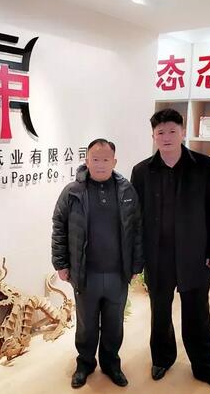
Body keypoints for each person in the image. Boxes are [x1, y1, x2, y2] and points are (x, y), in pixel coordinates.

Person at [130, 108, 210, 392]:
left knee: (197, 313)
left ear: (183, 132)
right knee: (159, 312)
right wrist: (137, 257)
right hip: (157, 255)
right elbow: (135, 218)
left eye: (172, 131)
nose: (167, 137)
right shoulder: (142, 171)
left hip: (194, 254)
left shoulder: (204, 166)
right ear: (153, 136)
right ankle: (162, 358)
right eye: (160, 132)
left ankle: (205, 367)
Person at [51, 138, 143, 389]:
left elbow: (137, 229)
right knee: (86, 325)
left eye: (105, 159)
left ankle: (111, 364)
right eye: (95, 159)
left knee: (114, 324)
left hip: (117, 273)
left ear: (114, 161)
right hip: (85, 273)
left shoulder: (126, 191)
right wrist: (60, 263)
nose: (100, 164)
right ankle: (85, 364)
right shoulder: (73, 191)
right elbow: (59, 227)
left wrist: (136, 265)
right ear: (86, 161)